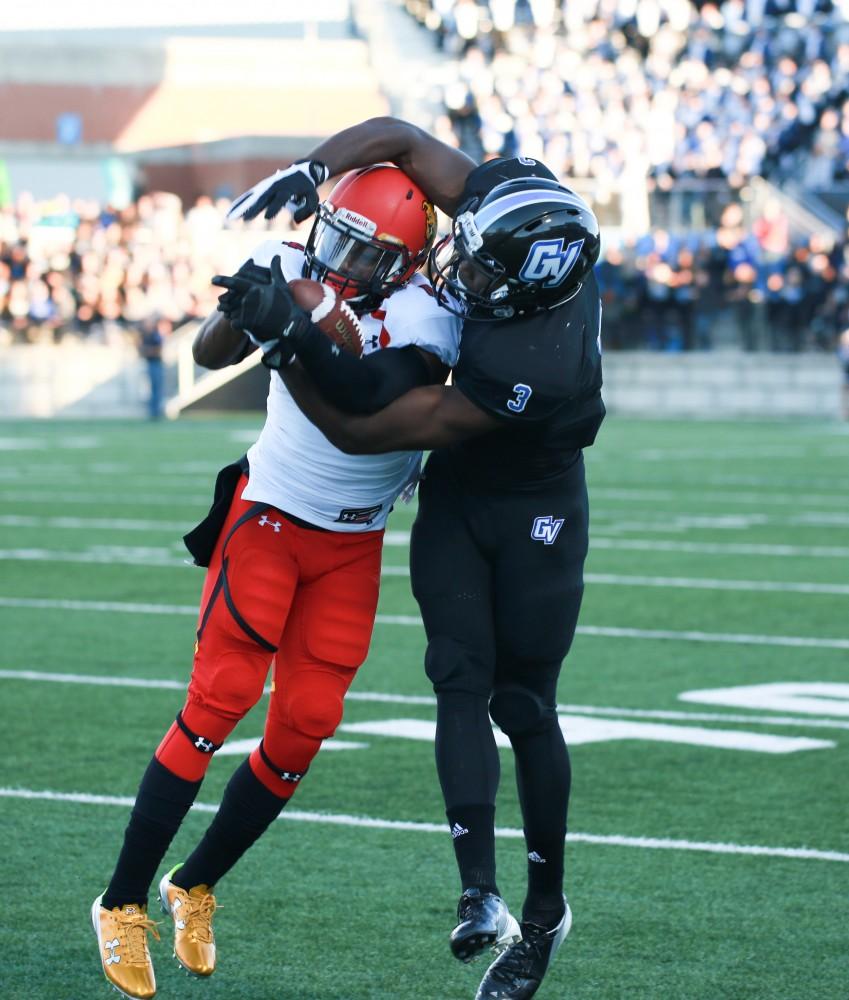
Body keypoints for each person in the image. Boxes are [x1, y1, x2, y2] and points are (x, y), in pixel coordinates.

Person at [222, 117, 604, 1000]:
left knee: (522, 702)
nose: (455, 275)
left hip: (535, 502)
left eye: (476, 274)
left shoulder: (529, 364)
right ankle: (479, 893)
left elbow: (363, 430)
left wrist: (289, 347)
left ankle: (545, 913)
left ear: (525, 291)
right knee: (455, 676)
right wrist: (311, 169)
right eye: (460, 256)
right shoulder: (515, 207)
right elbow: (397, 135)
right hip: (460, 492)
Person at [90, 163, 461, 1000]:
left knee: (304, 726)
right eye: (335, 234)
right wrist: (247, 310)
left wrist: (299, 329)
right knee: (218, 701)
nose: (336, 257)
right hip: (269, 517)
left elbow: (369, 395)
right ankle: (119, 903)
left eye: (362, 252)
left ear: (402, 262)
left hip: (352, 541)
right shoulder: (293, 263)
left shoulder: (424, 314)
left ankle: (196, 883)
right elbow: (207, 351)